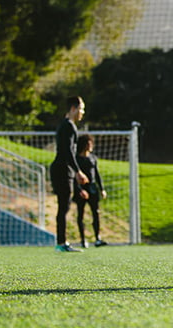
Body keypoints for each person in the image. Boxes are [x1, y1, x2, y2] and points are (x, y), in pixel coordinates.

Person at [50, 96, 89, 252]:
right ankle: (61, 243)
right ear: (73, 109)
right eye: (81, 109)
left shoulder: (64, 125)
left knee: (64, 206)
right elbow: (68, 152)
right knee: (63, 207)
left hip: (62, 168)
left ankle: (62, 242)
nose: (82, 112)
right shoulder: (69, 126)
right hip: (62, 169)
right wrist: (78, 171)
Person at [73, 134, 109, 248]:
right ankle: (83, 239)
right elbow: (73, 176)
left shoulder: (93, 158)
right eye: (88, 143)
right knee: (81, 214)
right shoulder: (76, 159)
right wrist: (79, 190)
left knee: (96, 213)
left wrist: (102, 189)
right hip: (81, 189)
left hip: (92, 188)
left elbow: (97, 174)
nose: (90, 145)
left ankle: (97, 238)